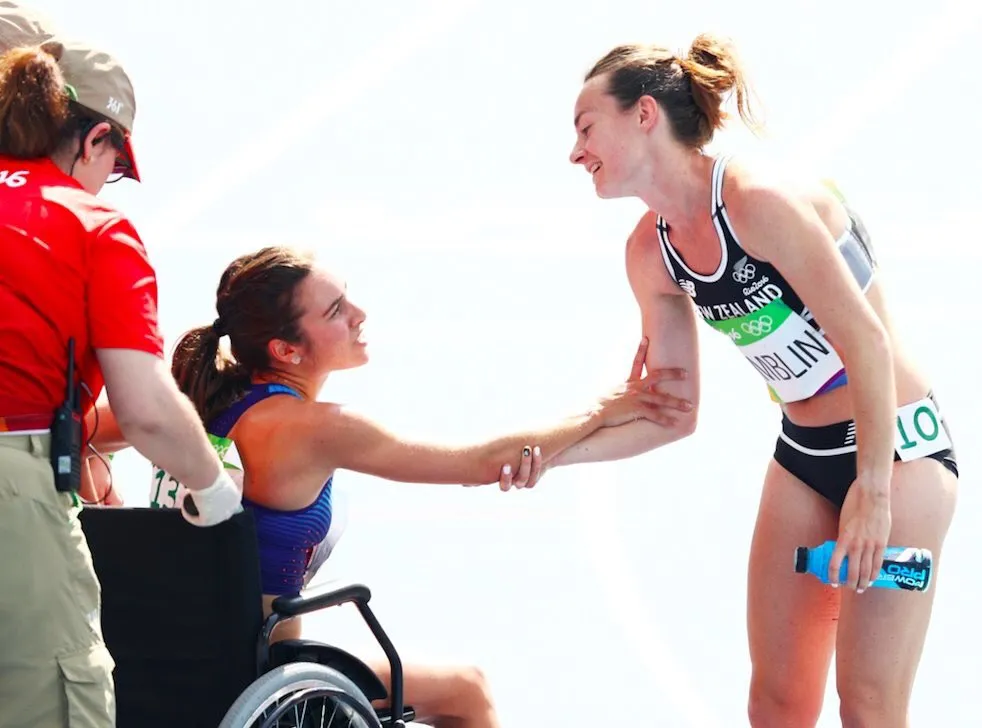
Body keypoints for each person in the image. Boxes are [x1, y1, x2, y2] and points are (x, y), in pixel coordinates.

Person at [541, 33, 960, 727]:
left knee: (868, 704)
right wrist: (554, 453)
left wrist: (875, 491)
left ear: (645, 114)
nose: (575, 151)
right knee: (775, 707)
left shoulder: (757, 202)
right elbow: (671, 411)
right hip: (805, 457)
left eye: (586, 128)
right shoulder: (651, 253)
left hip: (898, 453)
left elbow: (868, 343)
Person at [160, 245, 692, 728]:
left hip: (183, 659)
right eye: (335, 312)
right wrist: (602, 408)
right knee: (468, 692)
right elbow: (483, 462)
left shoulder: (198, 399)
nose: (358, 315)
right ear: (286, 350)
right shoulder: (318, 428)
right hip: (263, 674)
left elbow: (99, 421)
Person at [0, 7, 243, 727]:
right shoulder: (91, 225)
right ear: (97, 136)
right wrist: (213, 490)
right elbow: (144, 407)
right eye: (115, 164)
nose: (109, 182)